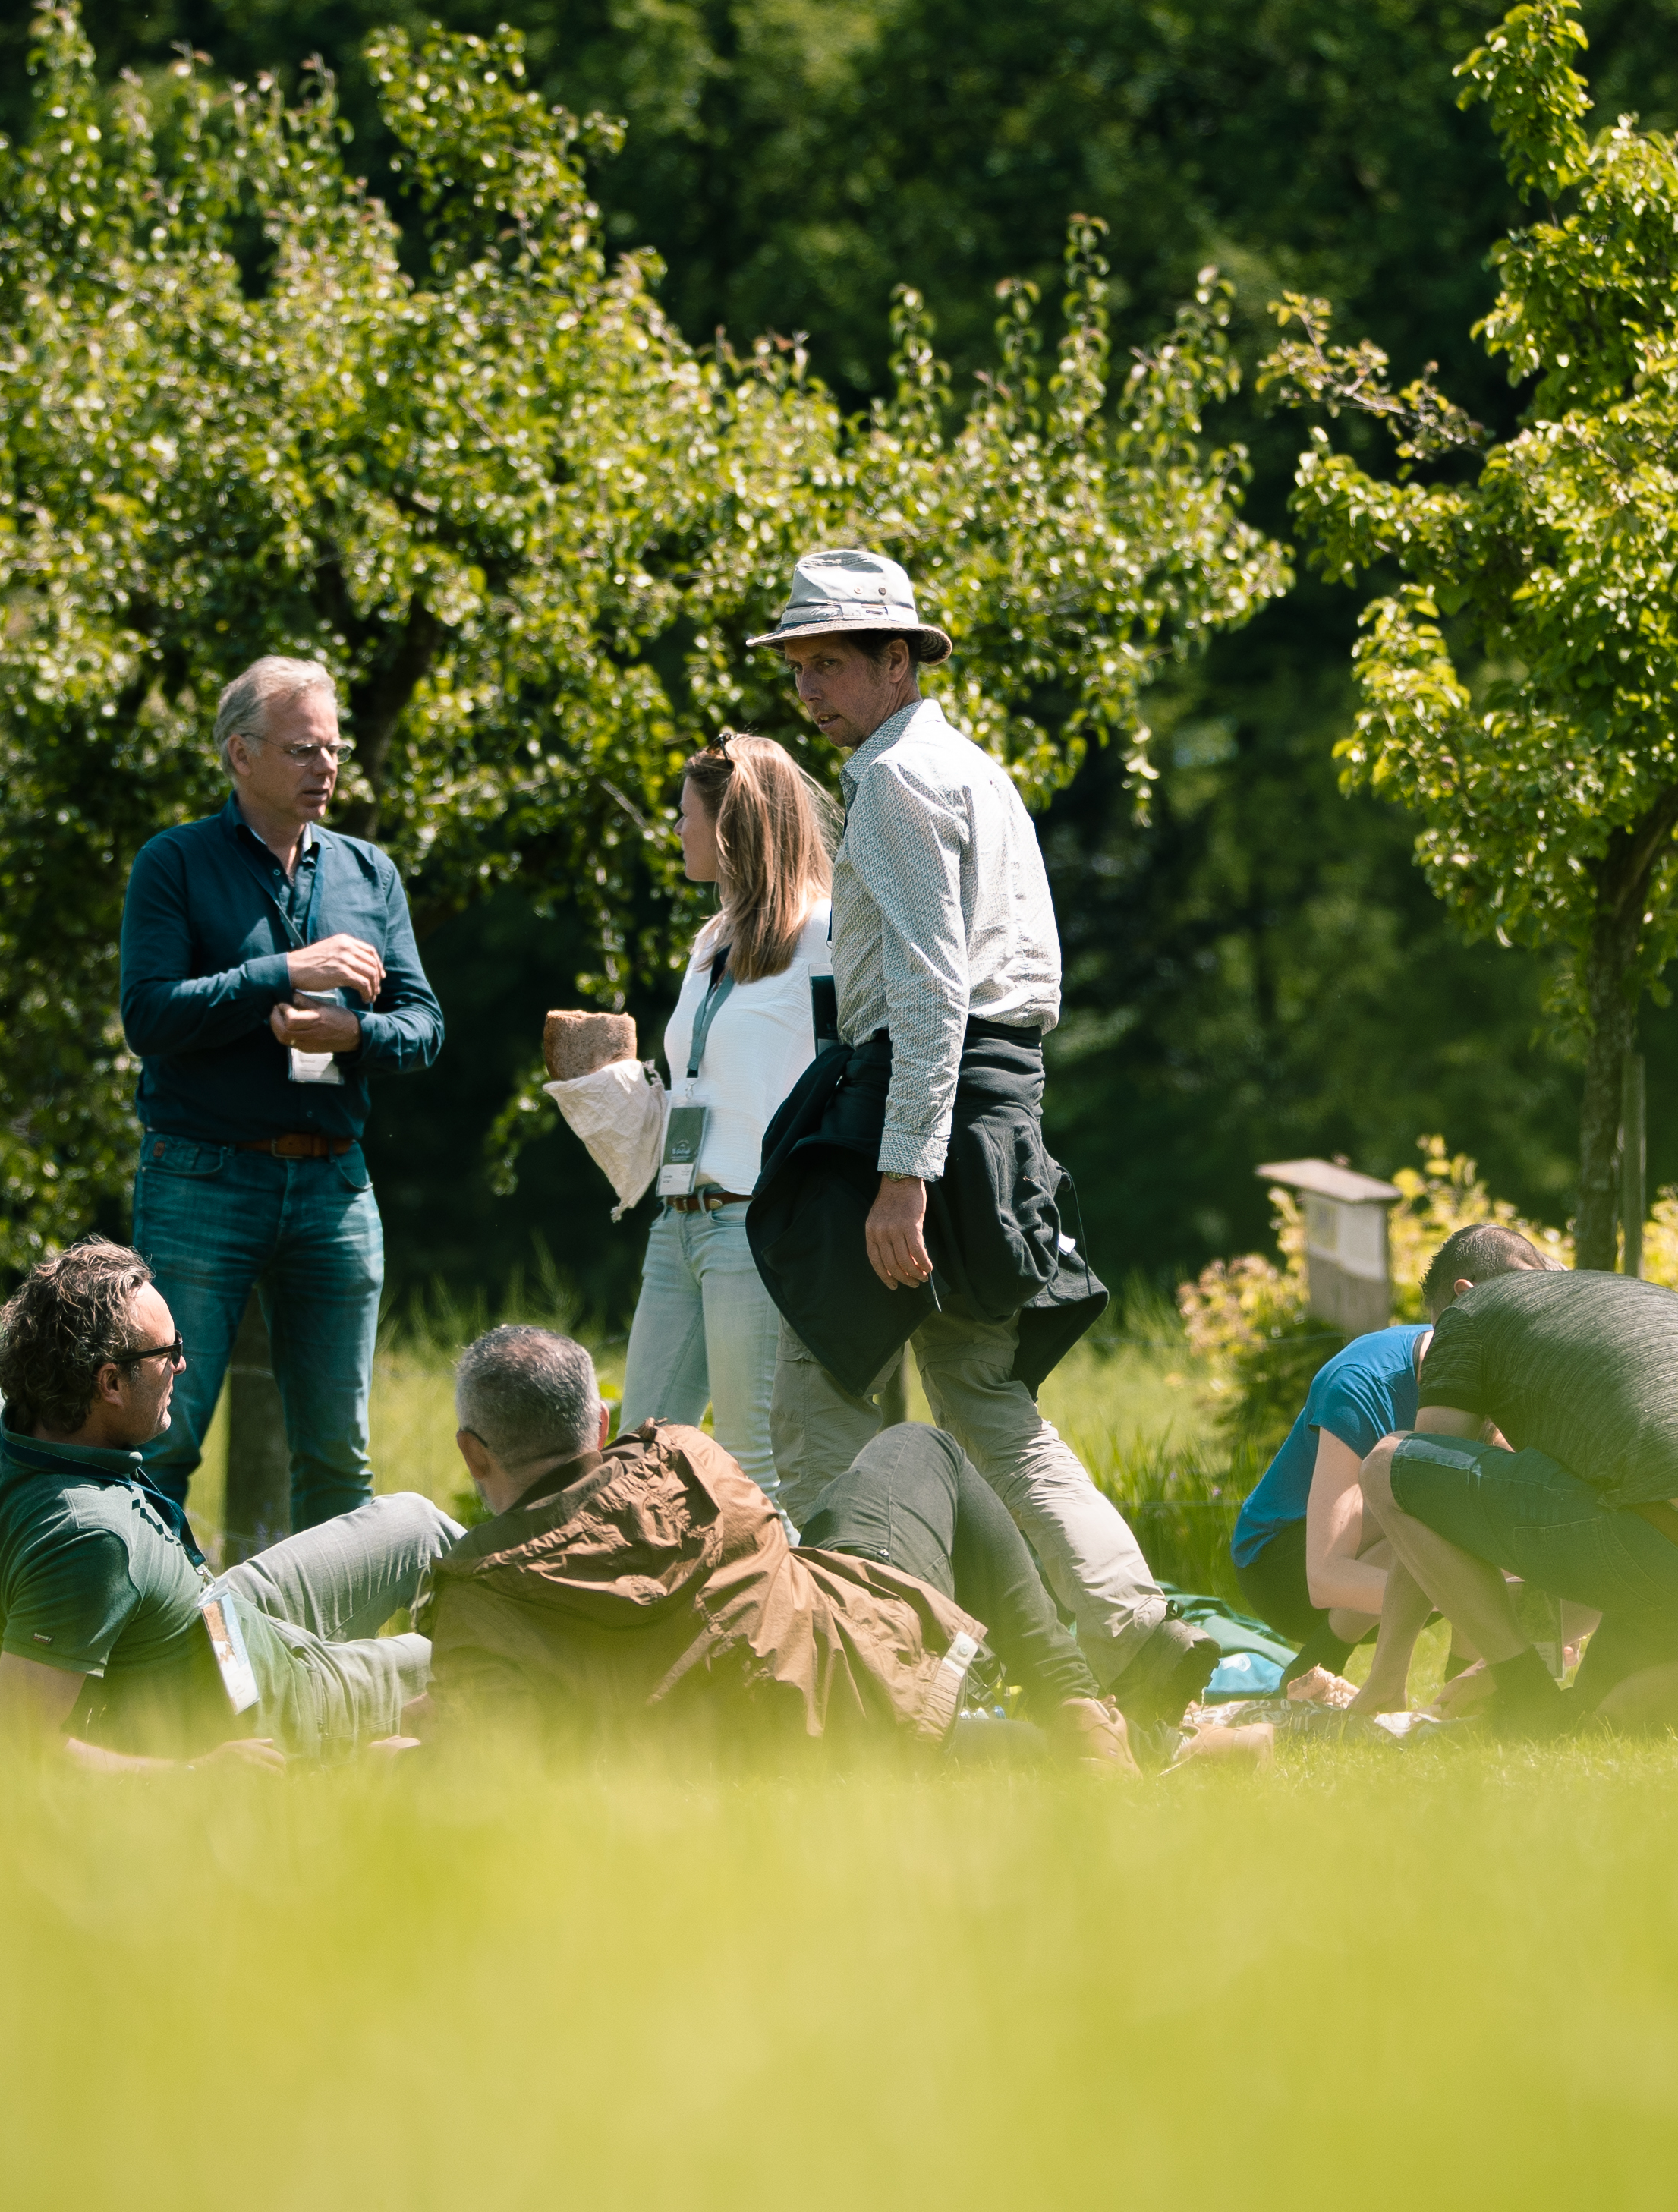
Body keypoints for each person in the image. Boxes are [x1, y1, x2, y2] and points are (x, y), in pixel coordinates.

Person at [735, 547, 1210, 1722]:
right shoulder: (975, 770)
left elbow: (938, 992)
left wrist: (903, 1177)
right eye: (799, 668)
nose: (810, 692)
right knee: (990, 1405)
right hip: (996, 1108)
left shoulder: (896, 779)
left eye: (833, 664)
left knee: (823, 1397)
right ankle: (1135, 1636)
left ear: (901, 660)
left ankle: (882, 1676)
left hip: (919, 1105)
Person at [0, 1240, 452, 1767]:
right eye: (168, 1352)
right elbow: (18, 1754)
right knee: (497, 1661)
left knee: (415, 1522)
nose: (183, 1364)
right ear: (110, 1383)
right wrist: (192, 1775)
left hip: (218, 1617)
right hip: (279, 1700)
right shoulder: (87, 1537)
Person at [395, 1324, 1132, 1768]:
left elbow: (514, 1778)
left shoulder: (477, 1602)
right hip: (861, 1701)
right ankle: (1077, 1708)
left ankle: (1110, 1737)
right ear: (598, 1424)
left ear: (473, 1452)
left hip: (774, 1754)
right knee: (920, 1447)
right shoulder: (685, 1454)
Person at [115, 651, 442, 1530]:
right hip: (201, 1178)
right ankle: (159, 1647)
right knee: (164, 1438)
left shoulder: (368, 874)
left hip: (335, 1186)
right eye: (303, 750)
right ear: (240, 755)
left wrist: (354, 1034)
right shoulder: (175, 863)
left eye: (333, 750)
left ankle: (326, 1660)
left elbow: (425, 1027)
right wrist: (279, 974)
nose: (325, 768)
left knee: (339, 1454)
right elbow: (147, 1017)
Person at [546, 733, 833, 1493]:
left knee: (751, 1456)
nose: (676, 829)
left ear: (733, 823)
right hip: (677, 1223)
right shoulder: (713, 939)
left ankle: (789, 1610)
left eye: (685, 814)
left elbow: (852, 1071)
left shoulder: (824, 937)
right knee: (641, 1452)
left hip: (752, 1225)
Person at [1347, 1263, 1678, 1731]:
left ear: (1461, 1289)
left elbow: (1422, 1489)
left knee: (1389, 1462)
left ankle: (1527, 1692)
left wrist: (1386, 1676)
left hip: (1664, 1549)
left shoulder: (1470, 1311)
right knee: (1600, 1719)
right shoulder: (1635, 1299)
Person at [1223, 1222, 1558, 1672]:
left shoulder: (1492, 1366)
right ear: (1467, 1296)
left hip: (1378, 1560)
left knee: (1471, 1502)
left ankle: (1465, 1686)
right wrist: (1480, 1600)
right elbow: (1324, 1578)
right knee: (1433, 1505)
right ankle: (1327, 1658)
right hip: (1283, 1569)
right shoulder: (1362, 1381)